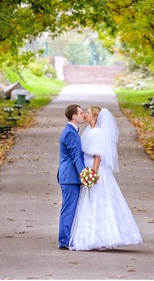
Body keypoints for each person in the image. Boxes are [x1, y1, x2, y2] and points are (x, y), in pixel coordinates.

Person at [69, 106, 143, 251]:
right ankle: (97, 236)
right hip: (90, 169)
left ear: (95, 117)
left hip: (96, 171)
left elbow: (97, 156)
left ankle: (101, 237)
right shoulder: (90, 131)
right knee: (93, 203)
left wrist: (92, 174)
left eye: (88, 113)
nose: (85, 115)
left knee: (98, 202)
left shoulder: (96, 132)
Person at [57, 104, 85, 250]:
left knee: (70, 208)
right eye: (81, 112)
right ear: (74, 116)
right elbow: (76, 158)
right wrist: (84, 175)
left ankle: (67, 238)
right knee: (69, 209)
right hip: (70, 177)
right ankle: (64, 241)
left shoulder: (72, 131)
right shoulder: (70, 133)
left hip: (69, 177)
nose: (83, 114)